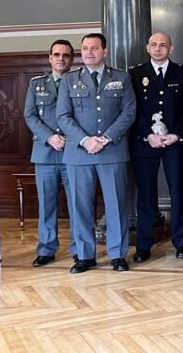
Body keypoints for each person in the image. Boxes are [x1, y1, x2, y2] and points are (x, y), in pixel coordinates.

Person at [56, 33, 136, 273]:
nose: (89, 52)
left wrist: (106, 138)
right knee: (80, 206)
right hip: (79, 153)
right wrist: (85, 140)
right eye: (85, 48)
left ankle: (117, 255)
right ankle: (84, 255)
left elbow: (129, 112)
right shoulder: (70, 80)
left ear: (105, 51)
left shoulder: (121, 78)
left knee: (116, 205)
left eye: (94, 48)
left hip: (112, 150)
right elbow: (63, 116)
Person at [129, 32, 183, 263]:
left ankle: (182, 242)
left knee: (178, 193)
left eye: (163, 45)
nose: (158, 49)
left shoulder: (182, 73)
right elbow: (132, 110)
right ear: (147, 48)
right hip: (145, 144)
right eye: (154, 45)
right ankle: (144, 245)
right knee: (146, 195)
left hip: (174, 143)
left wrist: (176, 134)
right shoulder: (136, 74)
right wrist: (148, 135)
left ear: (171, 48)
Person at [23, 39, 77, 267]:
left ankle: (79, 248)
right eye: (57, 54)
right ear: (50, 58)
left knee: (78, 204)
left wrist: (71, 138)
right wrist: (50, 137)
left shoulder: (79, 82)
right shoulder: (37, 84)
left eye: (66, 55)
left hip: (73, 152)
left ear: (72, 59)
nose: (61, 59)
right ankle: (46, 249)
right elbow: (30, 115)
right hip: (45, 153)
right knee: (47, 204)